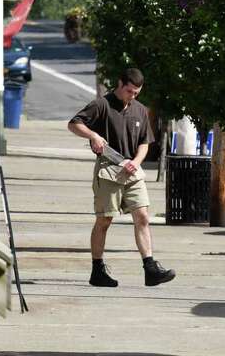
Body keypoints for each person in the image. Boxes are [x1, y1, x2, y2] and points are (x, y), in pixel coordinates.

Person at [67, 67, 175, 288]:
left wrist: (136, 162)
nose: (132, 96)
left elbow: (145, 142)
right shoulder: (102, 105)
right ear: (119, 84)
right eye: (129, 91)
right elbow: (74, 124)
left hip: (132, 170)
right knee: (105, 220)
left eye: (136, 92)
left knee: (142, 216)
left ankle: (150, 268)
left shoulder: (141, 110)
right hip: (109, 169)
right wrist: (93, 135)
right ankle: (97, 269)